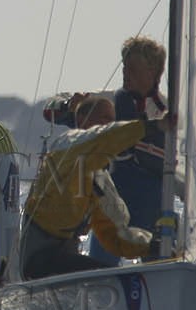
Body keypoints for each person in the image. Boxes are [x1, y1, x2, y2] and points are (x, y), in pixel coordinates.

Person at [43, 35, 173, 260]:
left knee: (163, 258)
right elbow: (49, 111)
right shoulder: (107, 105)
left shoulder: (171, 113)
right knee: (101, 266)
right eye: (124, 67)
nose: (125, 73)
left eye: (132, 68)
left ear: (152, 72)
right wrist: (69, 105)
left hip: (153, 208)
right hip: (112, 208)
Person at [17, 96, 153, 280]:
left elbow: (117, 235)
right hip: (36, 259)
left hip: (65, 257)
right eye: (103, 118)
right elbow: (101, 139)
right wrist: (145, 127)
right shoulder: (66, 145)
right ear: (82, 120)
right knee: (104, 277)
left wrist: (151, 245)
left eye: (111, 120)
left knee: (115, 277)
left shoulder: (99, 180)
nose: (108, 124)